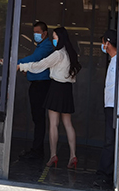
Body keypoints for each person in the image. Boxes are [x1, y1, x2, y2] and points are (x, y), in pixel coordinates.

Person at [17, 26, 82, 169]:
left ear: (60, 38)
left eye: (54, 37)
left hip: (56, 88)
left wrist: (22, 66)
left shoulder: (58, 54)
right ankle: (73, 155)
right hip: (67, 90)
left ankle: (53, 155)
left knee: (53, 124)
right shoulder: (71, 54)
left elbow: (41, 65)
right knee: (68, 124)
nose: (53, 40)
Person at [94, 29, 119, 190]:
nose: (102, 45)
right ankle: (109, 174)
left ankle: (105, 175)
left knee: (111, 141)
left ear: (108, 43)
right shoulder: (114, 60)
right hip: (111, 106)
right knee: (111, 141)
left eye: (103, 42)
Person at [17, 21, 55, 160]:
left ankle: (37, 150)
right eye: (34, 33)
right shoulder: (40, 46)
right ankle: (37, 148)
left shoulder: (46, 46)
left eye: (38, 32)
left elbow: (34, 59)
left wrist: (17, 63)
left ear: (45, 33)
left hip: (41, 86)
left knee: (39, 118)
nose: (35, 35)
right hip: (37, 85)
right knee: (37, 118)